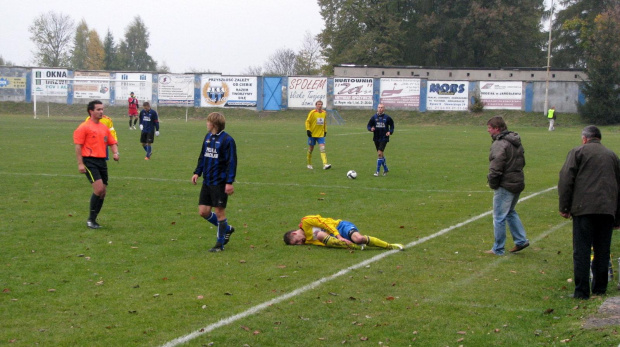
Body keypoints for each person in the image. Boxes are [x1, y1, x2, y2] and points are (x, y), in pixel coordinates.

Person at [558, 125, 620, 299]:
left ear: (584, 138)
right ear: (599, 139)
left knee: (582, 250)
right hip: (607, 209)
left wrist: (564, 207)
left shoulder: (578, 152)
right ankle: (600, 288)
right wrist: (618, 216)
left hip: (583, 208)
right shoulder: (612, 155)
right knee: (602, 249)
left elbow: (566, 179)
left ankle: (582, 291)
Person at [191, 112, 237, 252]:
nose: (206, 123)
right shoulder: (208, 137)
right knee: (203, 212)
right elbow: (203, 156)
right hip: (207, 181)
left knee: (219, 212)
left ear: (214, 124)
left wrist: (229, 182)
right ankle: (227, 229)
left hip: (220, 182)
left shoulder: (227, 140)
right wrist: (197, 172)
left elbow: (231, 162)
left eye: (208, 121)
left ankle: (219, 244)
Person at [484, 116, 529, 255]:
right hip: (517, 180)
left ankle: (498, 248)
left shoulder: (500, 144)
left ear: (497, 128)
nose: (488, 130)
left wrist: (493, 182)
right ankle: (521, 240)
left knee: (499, 216)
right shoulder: (515, 141)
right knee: (509, 211)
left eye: (490, 128)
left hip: (506, 183)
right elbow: (522, 161)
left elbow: (496, 166)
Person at [73, 100, 119, 229]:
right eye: (98, 109)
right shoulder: (84, 127)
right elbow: (78, 146)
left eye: (102, 109)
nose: (101, 112)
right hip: (89, 160)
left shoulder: (104, 127)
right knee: (98, 189)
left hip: (101, 161)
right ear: (91, 111)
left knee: (103, 192)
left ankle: (93, 219)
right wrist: (80, 164)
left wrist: (115, 153)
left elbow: (112, 142)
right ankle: (90, 220)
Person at [283, 214, 404, 250]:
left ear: (294, 233)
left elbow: (325, 224)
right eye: (297, 245)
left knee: (359, 239)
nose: (300, 243)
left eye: (297, 241)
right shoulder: (308, 241)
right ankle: (356, 247)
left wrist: (338, 236)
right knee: (320, 235)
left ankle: (390, 246)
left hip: (341, 226)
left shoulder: (306, 222)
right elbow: (325, 242)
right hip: (336, 238)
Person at [367, 103, 394, 176]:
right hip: (376, 138)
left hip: (384, 137)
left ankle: (377, 171)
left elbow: (392, 125)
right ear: (377, 108)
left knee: (379, 153)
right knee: (381, 154)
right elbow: (368, 125)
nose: (380, 109)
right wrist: (371, 129)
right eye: (379, 107)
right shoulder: (374, 117)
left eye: (381, 107)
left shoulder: (387, 117)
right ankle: (385, 168)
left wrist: (390, 131)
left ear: (384, 109)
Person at [305, 100, 331, 170]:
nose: (320, 105)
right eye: (318, 104)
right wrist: (308, 130)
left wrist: (325, 131)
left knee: (322, 148)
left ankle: (325, 164)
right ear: (316, 105)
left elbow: (324, 122)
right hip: (312, 134)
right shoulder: (312, 112)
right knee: (311, 149)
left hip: (320, 134)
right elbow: (307, 121)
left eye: (321, 104)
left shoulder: (324, 113)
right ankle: (309, 164)